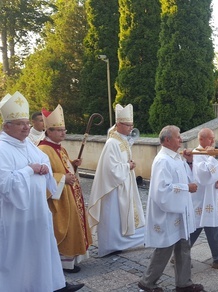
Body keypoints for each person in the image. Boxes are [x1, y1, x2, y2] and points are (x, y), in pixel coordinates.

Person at [0, 92, 83, 292]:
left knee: (43, 248)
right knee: (21, 254)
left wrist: (43, 168)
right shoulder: (2, 148)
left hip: (37, 210)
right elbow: (5, 184)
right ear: (6, 126)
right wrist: (31, 169)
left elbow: (42, 160)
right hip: (16, 216)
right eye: (20, 124)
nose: (26, 127)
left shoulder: (26, 142)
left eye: (26, 123)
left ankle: (52, 283)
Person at [138, 125, 205, 292]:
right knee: (165, 248)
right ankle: (147, 283)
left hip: (180, 211)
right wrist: (186, 188)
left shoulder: (175, 158)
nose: (181, 139)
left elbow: (187, 177)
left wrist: (189, 162)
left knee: (184, 246)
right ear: (167, 140)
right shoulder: (162, 160)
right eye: (178, 137)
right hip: (168, 213)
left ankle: (184, 284)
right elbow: (161, 190)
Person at [38, 105, 92, 273]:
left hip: (69, 195)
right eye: (59, 130)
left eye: (64, 130)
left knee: (74, 226)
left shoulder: (60, 148)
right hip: (59, 199)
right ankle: (63, 263)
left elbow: (64, 168)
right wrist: (62, 178)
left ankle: (72, 258)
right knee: (64, 228)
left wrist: (72, 165)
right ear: (49, 131)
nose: (63, 133)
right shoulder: (42, 150)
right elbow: (41, 177)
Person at [88, 104, 145, 257]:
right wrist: (128, 166)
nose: (130, 128)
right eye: (127, 125)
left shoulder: (123, 140)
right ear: (119, 124)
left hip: (124, 183)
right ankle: (109, 246)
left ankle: (120, 242)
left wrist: (128, 165)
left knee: (122, 217)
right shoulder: (111, 143)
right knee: (113, 217)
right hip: (113, 187)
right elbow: (110, 169)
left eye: (132, 125)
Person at [190, 128, 218, 270]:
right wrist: (211, 157)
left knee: (207, 227)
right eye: (210, 138)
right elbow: (203, 175)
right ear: (201, 139)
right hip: (201, 198)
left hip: (207, 197)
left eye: (213, 138)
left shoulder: (204, 153)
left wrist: (217, 179)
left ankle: (217, 259)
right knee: (201, 227)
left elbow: (211, 173)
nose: (213, 141)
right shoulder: (197, 153)